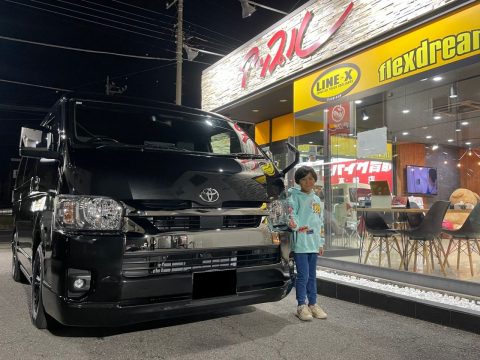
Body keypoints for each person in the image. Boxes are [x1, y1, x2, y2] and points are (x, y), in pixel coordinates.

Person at [287, 166, 327, 321]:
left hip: (313, 243)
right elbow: (292, 216)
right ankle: (301, 306)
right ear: (298, 181)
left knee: (312, 276)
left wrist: (321, 243)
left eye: (310, 178)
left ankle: (313, 304)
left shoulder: (317, 199)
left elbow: (319, 222)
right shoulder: (294, 197)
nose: (308, 182)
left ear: (315, 179)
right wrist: (296, 226)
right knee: (303, 275)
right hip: (301, 243)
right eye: (304, 179)